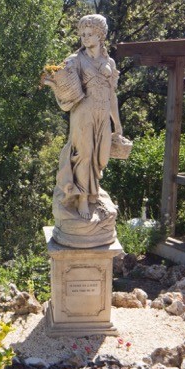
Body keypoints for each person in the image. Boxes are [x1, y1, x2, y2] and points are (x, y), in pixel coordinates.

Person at [45, 14, 124, 223]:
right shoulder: (75, 60)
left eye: (90, 34)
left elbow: (112, 95)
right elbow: (65, 86)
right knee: (85, 155)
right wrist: (54, 83)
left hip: (102, 113)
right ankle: (82, 198)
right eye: (83, 34)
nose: (85, 38)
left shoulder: (109, 62)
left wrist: (118, 124)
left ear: (100, 36)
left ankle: (93, 192)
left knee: (101, 158)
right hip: (83, 113)